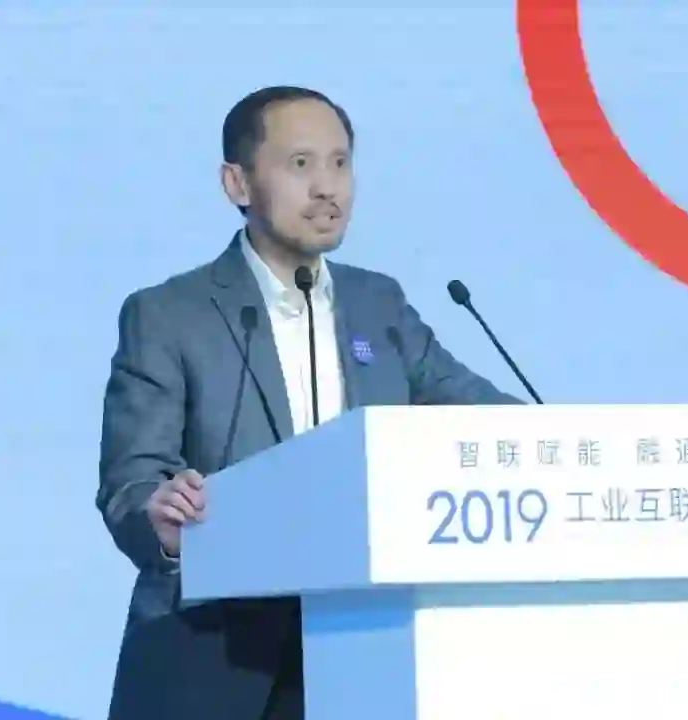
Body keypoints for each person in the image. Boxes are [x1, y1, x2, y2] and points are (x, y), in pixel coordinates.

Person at [97, 85, 522, 720]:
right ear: (238, 183)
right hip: (209, 656)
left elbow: (481, 415)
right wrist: (159, 520)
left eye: (340, 163)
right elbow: (132, 482)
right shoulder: (168, 314)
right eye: (301, 165)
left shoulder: (379, 306)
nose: (328, 188)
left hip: (362, 653)